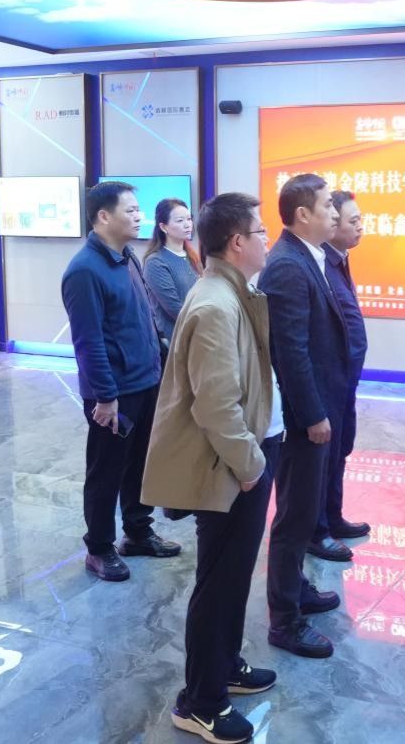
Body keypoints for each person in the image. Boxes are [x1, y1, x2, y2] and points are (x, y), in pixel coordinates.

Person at [142, 192, 280, 744]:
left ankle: (225, 665)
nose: (268, 240)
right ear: (238, 242)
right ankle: (199, 700)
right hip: (229, 466)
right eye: (262, 231)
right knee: (219, 581)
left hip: (243, 459)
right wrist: (250, 464)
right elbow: (216, 405)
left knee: (233, 575)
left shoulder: (232, 292)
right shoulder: (215, 306)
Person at [61, 180, 181, 582]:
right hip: (114, 394)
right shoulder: (83, 271)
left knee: (140, 465)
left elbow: (144, 318)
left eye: (137, 210)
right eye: (130, 210)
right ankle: (99, 548)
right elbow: (88, 341)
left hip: (145, 381)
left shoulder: (127, 258)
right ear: (103, 216)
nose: (138, 216)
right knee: (106, 471)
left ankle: (138, 532)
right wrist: (105, 397)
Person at [259, 173, 349, 658]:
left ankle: (297, 589)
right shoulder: (288, 266)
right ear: (302, 214)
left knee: (303, 509)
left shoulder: (308, 256)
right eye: (327, 204)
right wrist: (313, 415)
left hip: (319, 404)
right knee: (294, 516)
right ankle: (284, 619)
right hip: (301, 418)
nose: (335, 212)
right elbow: (290, 351)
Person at [306, 190, 370, 562]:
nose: (360, 227)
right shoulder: (318, 265)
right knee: (323, 457)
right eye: (352, 221)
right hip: (327, 380)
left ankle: (332, 517)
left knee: (340, 450)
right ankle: (316, 531)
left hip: (345, 380)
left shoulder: (339, 260)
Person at [143, 197, 203, 344]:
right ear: (164, 227)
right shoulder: (155, 262)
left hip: (198, 334)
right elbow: (175, 308)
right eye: (180, 221)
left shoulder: (192, 255)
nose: (187, 224)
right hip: (176, 340)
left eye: (189, 219)